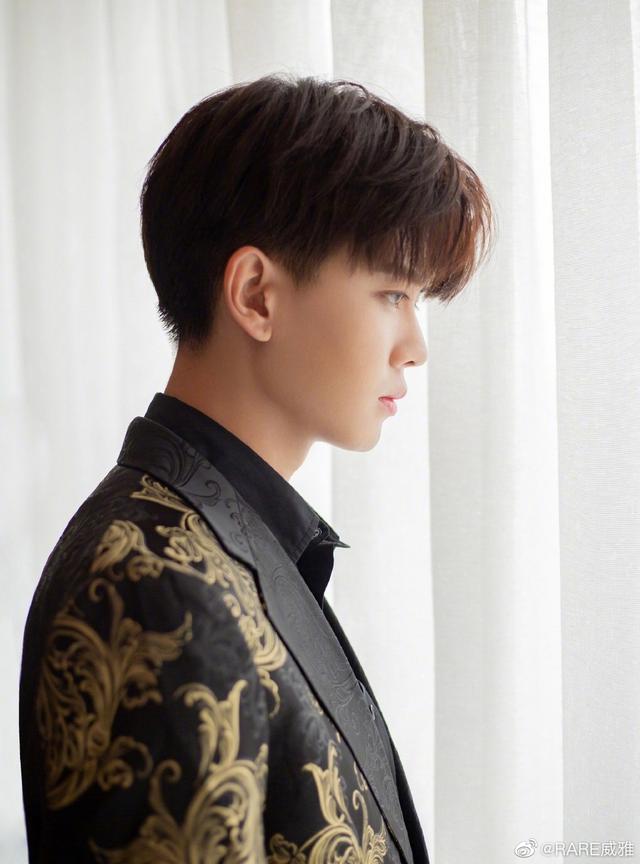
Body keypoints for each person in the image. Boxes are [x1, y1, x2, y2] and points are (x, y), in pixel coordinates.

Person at [19, 72, 494, 863]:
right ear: (256, 296)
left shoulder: (215, 543)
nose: (415, 348)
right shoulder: (155, 586)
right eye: (392, 294)